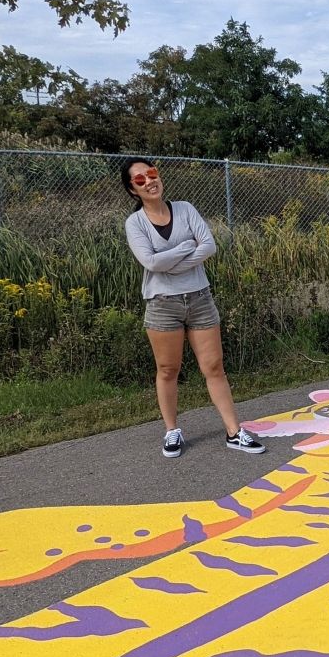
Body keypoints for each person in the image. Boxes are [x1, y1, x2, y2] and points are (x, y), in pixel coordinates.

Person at [121, 158, 265, 457]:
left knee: (214, 366)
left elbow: (209, 246)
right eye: (140, 180)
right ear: (133, 190)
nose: (149, 181)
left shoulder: (185, 209)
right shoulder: (135, 223)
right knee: (167, 369)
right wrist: (188, 248)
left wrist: (172, 261)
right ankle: (172, 430)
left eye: (151, 173)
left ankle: (234, 432)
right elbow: (150, 262)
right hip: (163, 304)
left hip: (199, 298)